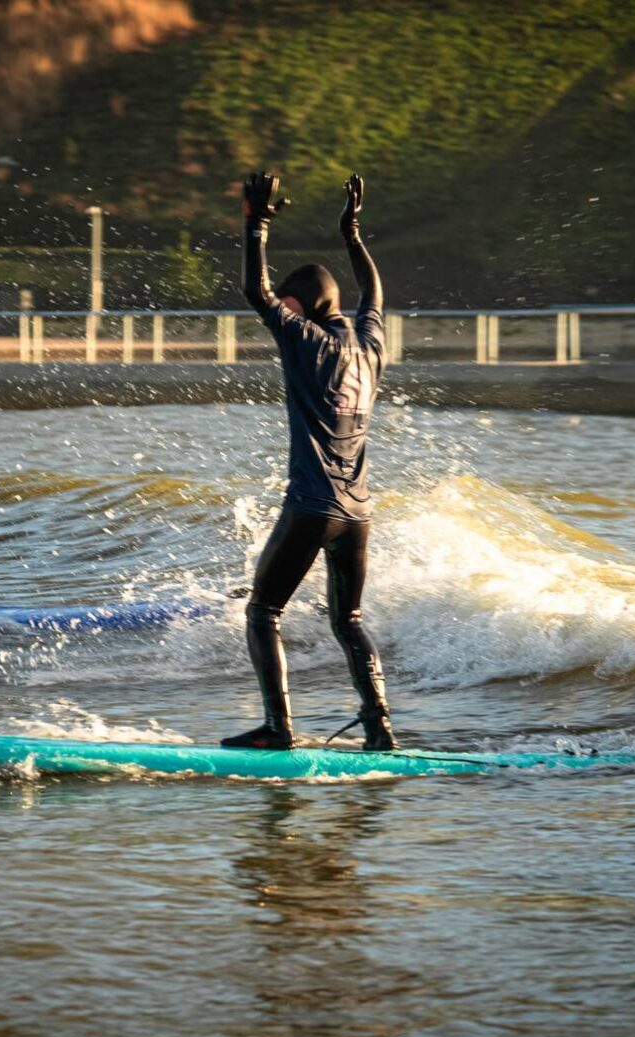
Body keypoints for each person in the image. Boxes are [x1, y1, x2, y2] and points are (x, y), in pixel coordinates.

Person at [222, 170, 396, 752]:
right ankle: (379, 728)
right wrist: (353, 235)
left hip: (311, 507)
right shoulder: (370, 347)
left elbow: (257, 293)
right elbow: (374, 295)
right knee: (348, 622)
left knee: (263, 610)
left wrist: (257, 222)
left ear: (308, 306)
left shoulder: (307, 340)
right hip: (358, 513)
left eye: (292, 305)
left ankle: (279, 729)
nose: (284, 314)